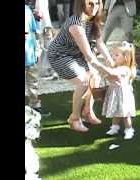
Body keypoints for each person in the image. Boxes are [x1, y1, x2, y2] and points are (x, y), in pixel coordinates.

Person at [48, 0, 120, 132]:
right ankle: (74, 118)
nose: (94, 7)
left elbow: (99, 43)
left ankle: (87, 111)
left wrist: (110, 61)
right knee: (83, 82)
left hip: (76, 54)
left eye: (97, 4)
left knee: (95, 77)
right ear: (82, 4)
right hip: (60, 55)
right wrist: (108, 71)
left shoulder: (93, 21)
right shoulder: (76, 24)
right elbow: (89, 56)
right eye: (90, 3)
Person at [103, 41, 136, 140]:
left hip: (122, 94)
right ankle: (114, 127)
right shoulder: (117, 67)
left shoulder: (125, 69)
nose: (113, 57)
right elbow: (108, 76)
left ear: (125, 58)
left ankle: (129, 129)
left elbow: (112, 73)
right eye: (113, 55)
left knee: (125, 114)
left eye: (116, 55)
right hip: (115, 92)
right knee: (115, 111)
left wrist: (101, 66)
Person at [25, 4, 51, 117]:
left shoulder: (27, 10)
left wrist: (37, 49)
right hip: (29, 53)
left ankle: (35, 106)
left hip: (29, 54)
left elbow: (34, 31)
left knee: (33, 82)